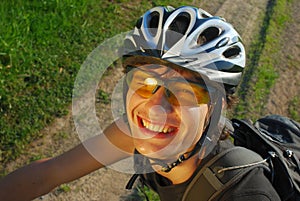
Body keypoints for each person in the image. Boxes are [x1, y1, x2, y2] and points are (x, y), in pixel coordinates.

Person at [0, 5, 281, 201]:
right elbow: (50, 172)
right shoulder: (138, 132)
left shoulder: (245, 193)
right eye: (146, 84)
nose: (156, 108)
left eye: (184, 93)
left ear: (217, 108)